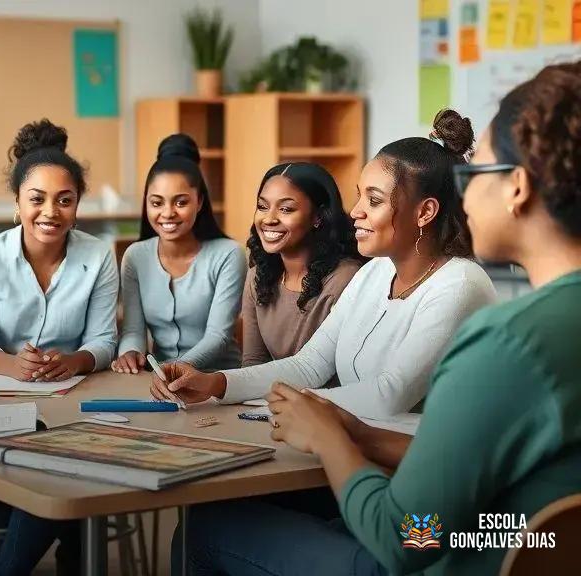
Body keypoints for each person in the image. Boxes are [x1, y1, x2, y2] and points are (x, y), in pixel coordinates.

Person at [173, 60, 581, 576]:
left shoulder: (505, 340)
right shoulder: (542, 325)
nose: (467, 192)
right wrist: (352, 433)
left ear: (517, 187)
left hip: (450, 551)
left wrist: (328, 437)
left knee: (209, 525)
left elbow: (407, 534)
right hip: (489, 535)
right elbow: (477, 480)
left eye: (479, 173)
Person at [153, 109, 498, 420]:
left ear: (424, 212)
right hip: (358, 447)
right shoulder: (376, 272)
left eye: (373, 200)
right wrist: (214, 383)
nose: (356, 211)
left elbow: (389, 395)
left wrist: (286, 404)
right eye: (359, 194)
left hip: (426, 469)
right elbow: (311, 363)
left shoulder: (461, 284)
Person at [0, 119, 119, 576]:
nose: (50, 212)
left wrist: (75, 360)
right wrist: (10, 365)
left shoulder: (98, 254)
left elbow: (103, 340)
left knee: (59, 463)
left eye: (65, 200)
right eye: (36, 199)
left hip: (72, 398)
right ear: (17, 203)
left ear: (78, 205)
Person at [111, 134, 242, 374]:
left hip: (219, 380)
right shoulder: (135, 256)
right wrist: (129, 353)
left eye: (181, 203)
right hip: (159, 380)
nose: (167, 213)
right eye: (157, 203)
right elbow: (133, 331)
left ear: (199, 201)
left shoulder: (228, 254)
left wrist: (172, 369)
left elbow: (219, 336)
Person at [240, 162, 364, 372]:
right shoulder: (257, 276)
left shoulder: (345, 278)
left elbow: (332, 373)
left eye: (286, 209)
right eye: (262, 206)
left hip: (328, 401)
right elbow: (252, 362)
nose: (268, 219)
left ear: (317, 217)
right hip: (269, 397)